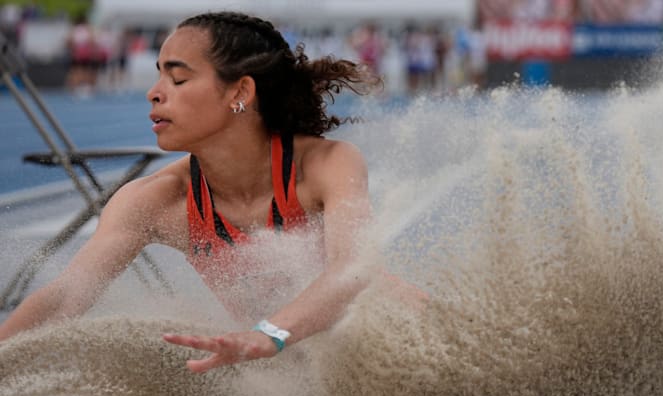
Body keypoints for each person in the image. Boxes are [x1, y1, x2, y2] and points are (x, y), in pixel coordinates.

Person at [0, 11, 419, 373]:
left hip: (402, 345)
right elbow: (64, 298)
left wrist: (268, 334)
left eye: (178, 78)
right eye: (159, 74)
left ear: (240, 93)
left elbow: (352, 271)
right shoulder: (154, 201)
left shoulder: (326, 165)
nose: (155, 92)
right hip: (283, 366)